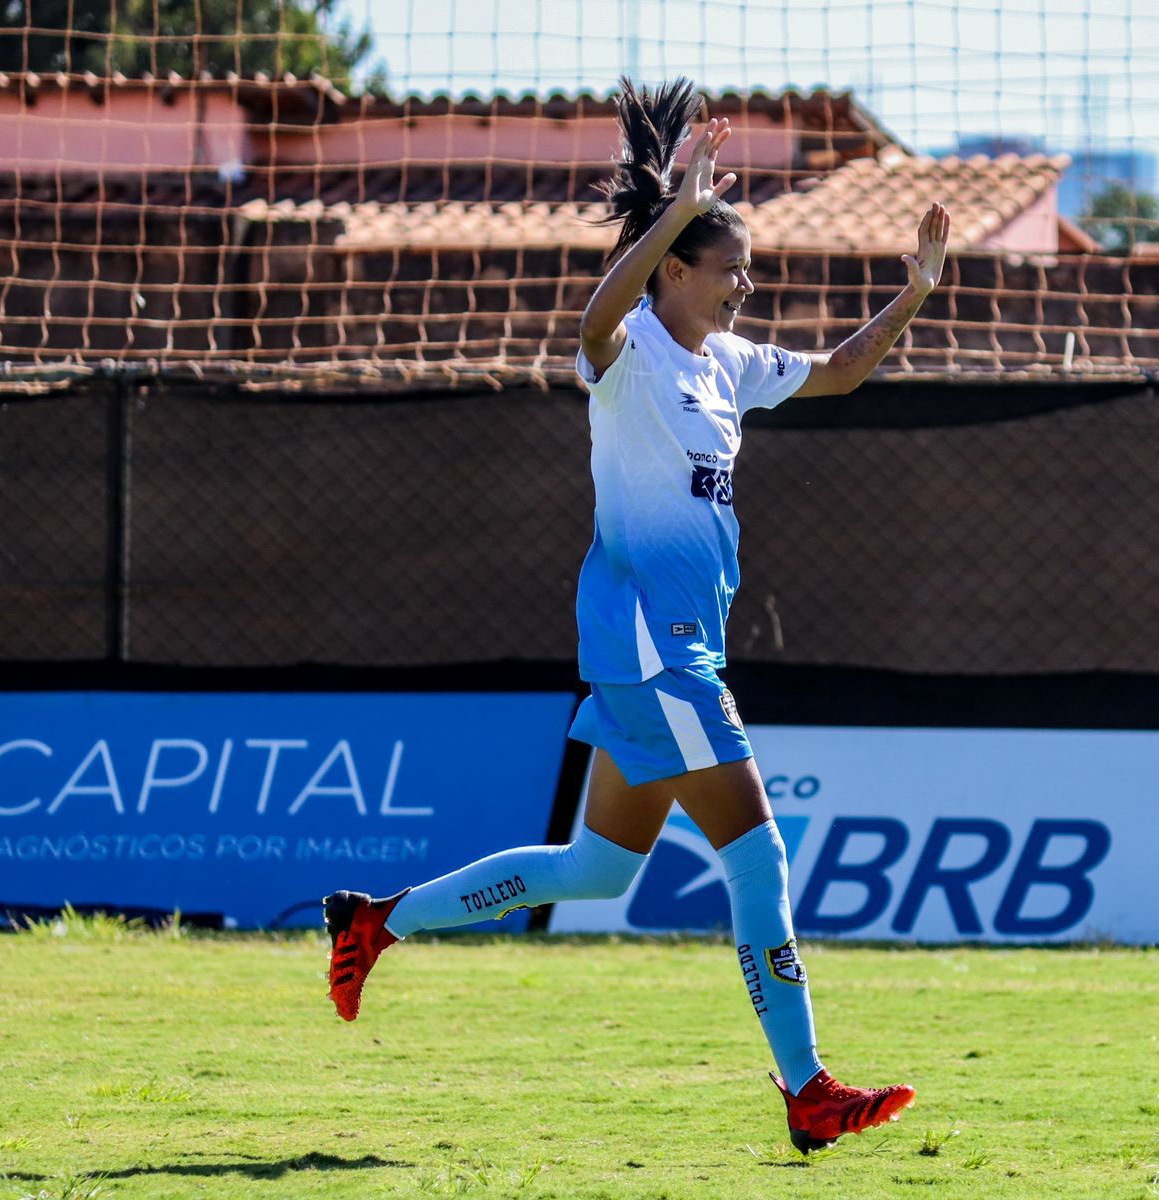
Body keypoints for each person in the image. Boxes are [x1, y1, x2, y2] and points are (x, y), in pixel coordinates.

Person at [325, 76, 950, 1155]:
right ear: (674, 268)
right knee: (757, 859)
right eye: (729, 264)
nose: (746, 281)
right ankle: (806, 1088)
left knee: (593, 869)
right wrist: (675, 202)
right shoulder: (628, 356)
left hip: (660, 654)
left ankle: (377, 921)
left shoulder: (731, 366)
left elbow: (843, 374)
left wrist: (919, 293)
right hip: (660, 657)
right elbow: (592, 314)